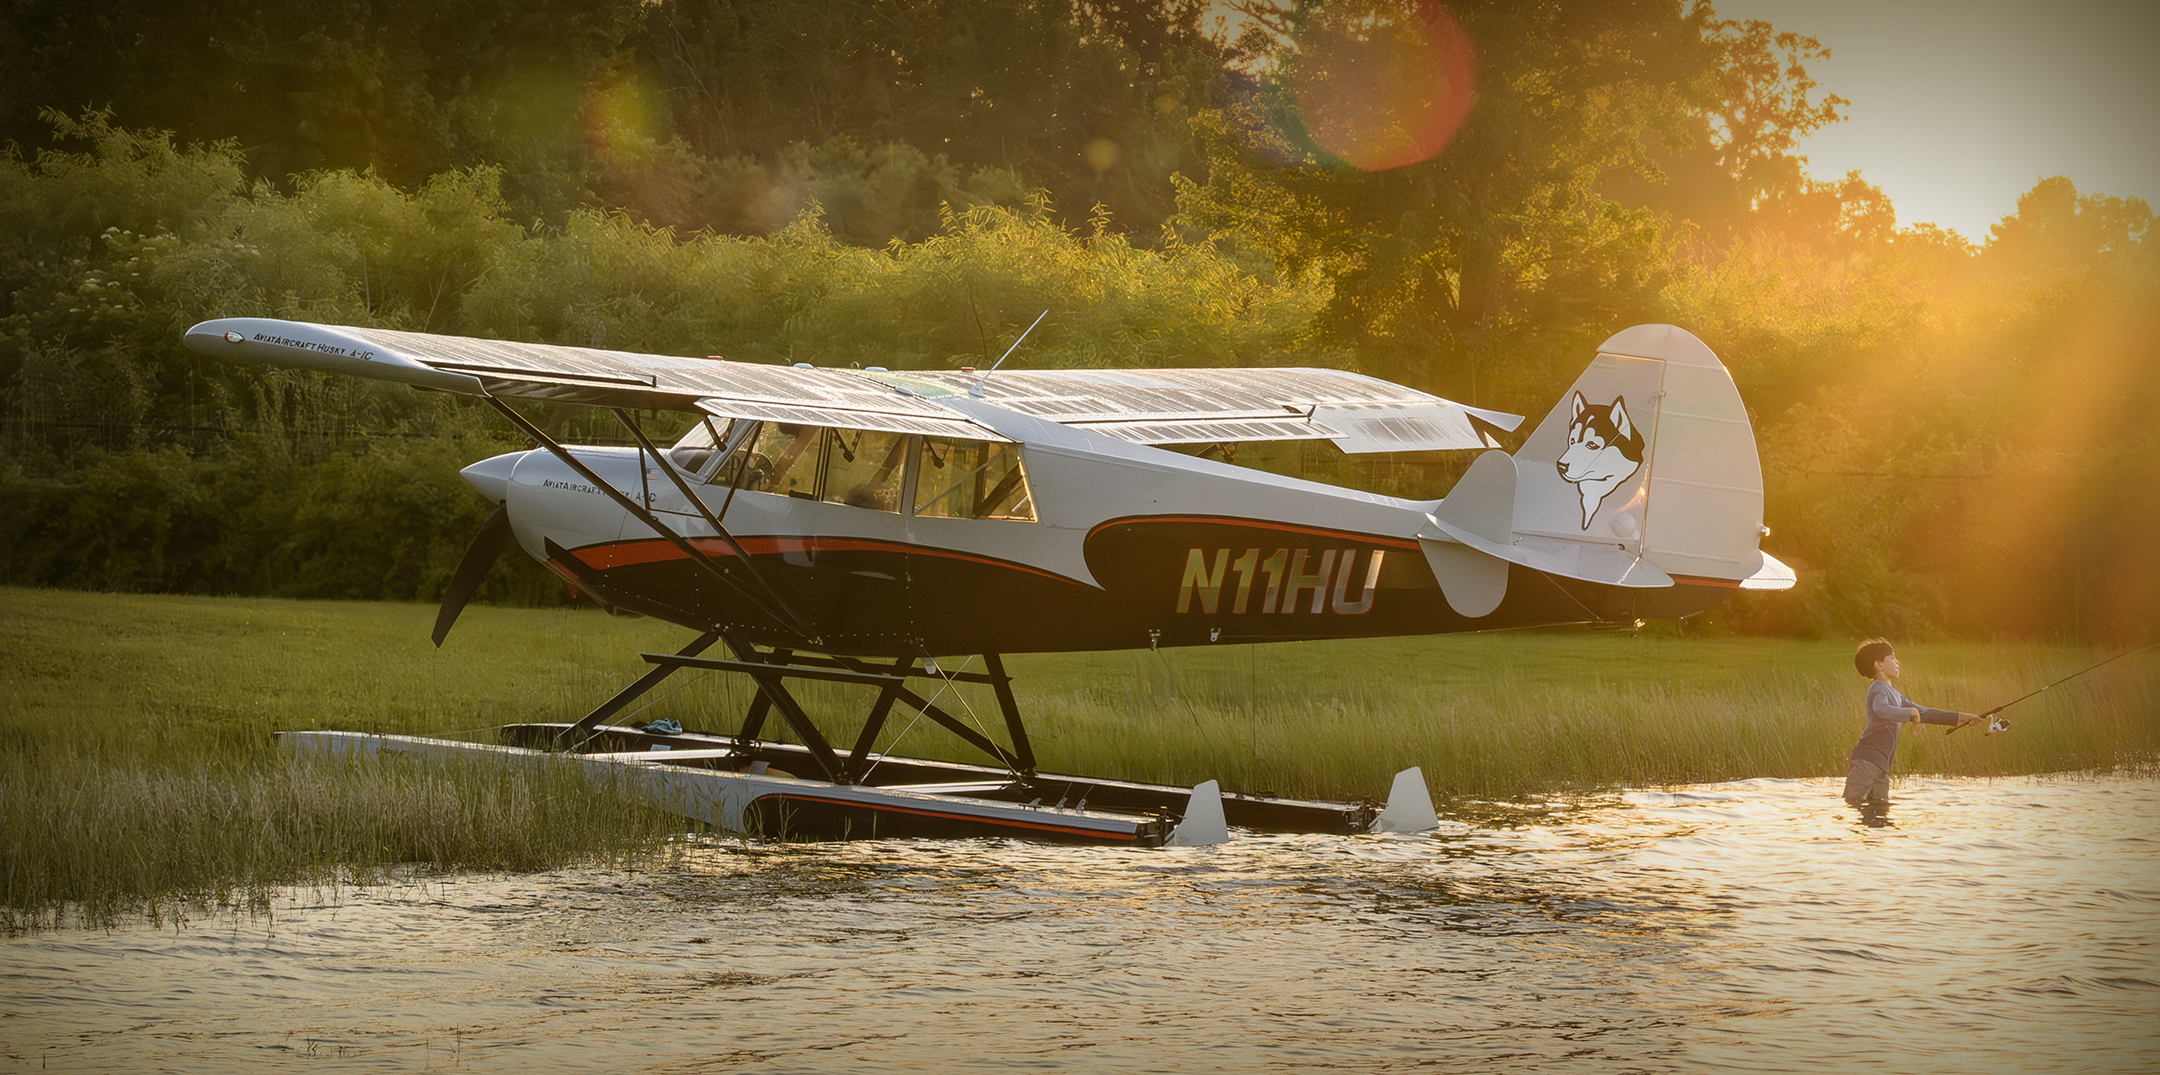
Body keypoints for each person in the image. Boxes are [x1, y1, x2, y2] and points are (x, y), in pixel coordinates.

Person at [1844, 639, 1981, 808]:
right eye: (1892, 658)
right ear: (1879, 665)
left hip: (1881, 765)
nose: (1897, 662)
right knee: (1851, 803)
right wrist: (1910, 713)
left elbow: (1924, 713)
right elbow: (1882, 709)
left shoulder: (1895, 694)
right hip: (1866, 761)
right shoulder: (1878, 688)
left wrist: (1961, 717)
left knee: (1879, 810)